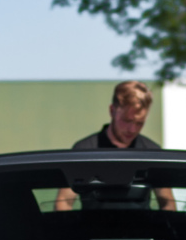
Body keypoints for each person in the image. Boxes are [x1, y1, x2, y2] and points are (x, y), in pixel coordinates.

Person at [55, 81, 175, 210]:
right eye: (127, 120)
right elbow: (64, 201)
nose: (132, 129)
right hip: (92, 229)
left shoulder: (152, 152)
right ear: (112, 111)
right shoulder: (84, 150)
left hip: (141, 230)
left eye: (139, 123)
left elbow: (168, 203)